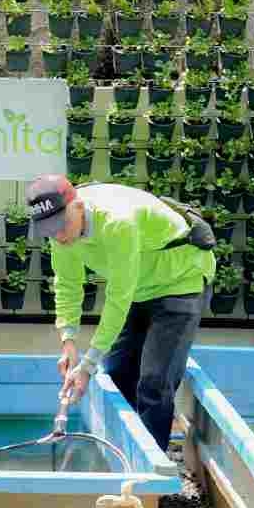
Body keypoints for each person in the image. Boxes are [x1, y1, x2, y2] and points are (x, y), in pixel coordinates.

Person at [26, 174, 216, 450]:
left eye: (61, 226)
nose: (58, 235)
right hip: (140, 286)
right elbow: (68, 284)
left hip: (180, 280)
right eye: (48, 230)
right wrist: (68, 342)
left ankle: (152, 473)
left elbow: (118, 299)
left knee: (154, 382)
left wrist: (87, 366)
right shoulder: (61, 232)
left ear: (78, 207)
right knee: (117, 371)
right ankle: (122, 453)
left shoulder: (117, 222)